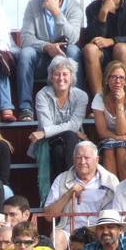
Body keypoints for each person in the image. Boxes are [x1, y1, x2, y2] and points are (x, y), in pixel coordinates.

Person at [15, 0, 83, 121]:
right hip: (41, 58)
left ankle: (74, 105)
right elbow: (26, 38)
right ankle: (26, 108)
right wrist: (47, 46)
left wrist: (57, 12)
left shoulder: (74, 7)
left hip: (63, 56)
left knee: (74, 51)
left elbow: (73, 38)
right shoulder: (33, 5)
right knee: (26, 53)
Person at [42, 140, 117, 250]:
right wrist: (68, 194)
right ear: (73, 160)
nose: (82, 162)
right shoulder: (62, 179)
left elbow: (117, 213)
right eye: (78, 157)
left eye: (87, 158)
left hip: (99, 231)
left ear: (97, 160)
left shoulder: (110, 181)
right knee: (56, 237)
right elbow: (48, 216)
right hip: (69, 232)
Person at [27, 55, 88, 188]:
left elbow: (74, 124)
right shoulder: (42, 95)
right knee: (70, 135)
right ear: (51, 77)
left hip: (66, 142)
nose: (61, 78)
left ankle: (60, 190)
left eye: (65, 74)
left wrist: (44, 133)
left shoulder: (81, 96)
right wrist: (49, 132)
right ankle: (71, 184)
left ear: (71, 77)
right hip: (47, 141)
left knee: (60, 149)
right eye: (57, 74)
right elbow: (47, 125)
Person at [88, 59, 126, 180]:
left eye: (121, 78)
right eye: (113, 77)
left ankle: (125, 190)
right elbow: (102, 132)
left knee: (120, 148)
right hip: (114, 139)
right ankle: (112, 192)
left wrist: (119, 104)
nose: (117, 81)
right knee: (109, 148)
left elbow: (122, 130)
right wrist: (122, 138)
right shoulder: (99, 98)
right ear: (107, 80)